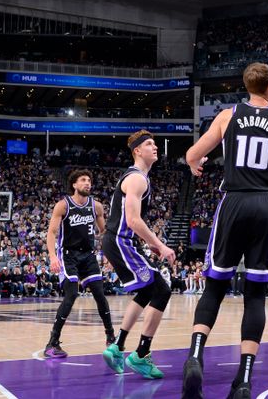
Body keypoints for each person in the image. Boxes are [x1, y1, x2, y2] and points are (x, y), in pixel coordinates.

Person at [181, 62, 268, 399]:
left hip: (233, 201)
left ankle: (195, 358)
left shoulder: (227, 117)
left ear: (248, 86)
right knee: (255, 296)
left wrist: (195, 163)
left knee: (214, 287)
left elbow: (192, 154)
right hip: (267, 204)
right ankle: (243, 381)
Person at [101, 130, 176, 379]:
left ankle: (118, 346)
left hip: (119, 241)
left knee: (147, 291)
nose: (155, 147)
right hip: (121, 240)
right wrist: (161, 245)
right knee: (162, 290)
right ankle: (141, 355)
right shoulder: (137, 179)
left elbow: (133, 221)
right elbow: (132, 220)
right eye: (149, 144)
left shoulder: (139, 178)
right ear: (137, 151)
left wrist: (151, 244)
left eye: (155, 143)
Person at [44, 169, 115, 358]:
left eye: (89, 180)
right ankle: (52, 343)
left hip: (89, 256)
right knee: (72, 294)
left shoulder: (96, 206)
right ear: (74, 184)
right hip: (68, 255)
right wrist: (52, 257)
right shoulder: (63, 205)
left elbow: (104, 232)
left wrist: (110, 255)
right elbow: (51, 233)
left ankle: (111, 338)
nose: (87, 183)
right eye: (83, 180)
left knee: (100, 294)